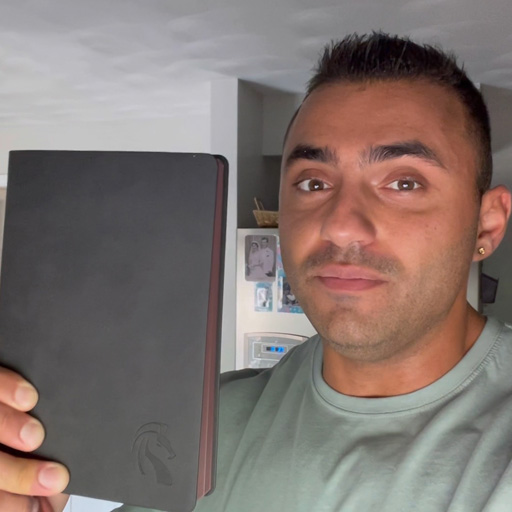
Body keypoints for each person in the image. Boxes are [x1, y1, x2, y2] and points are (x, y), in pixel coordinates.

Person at [1, 32, 511, 512]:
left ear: (487, 224)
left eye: (404, 183)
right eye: (313, 183)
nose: (340, 225)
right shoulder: (202, 428)